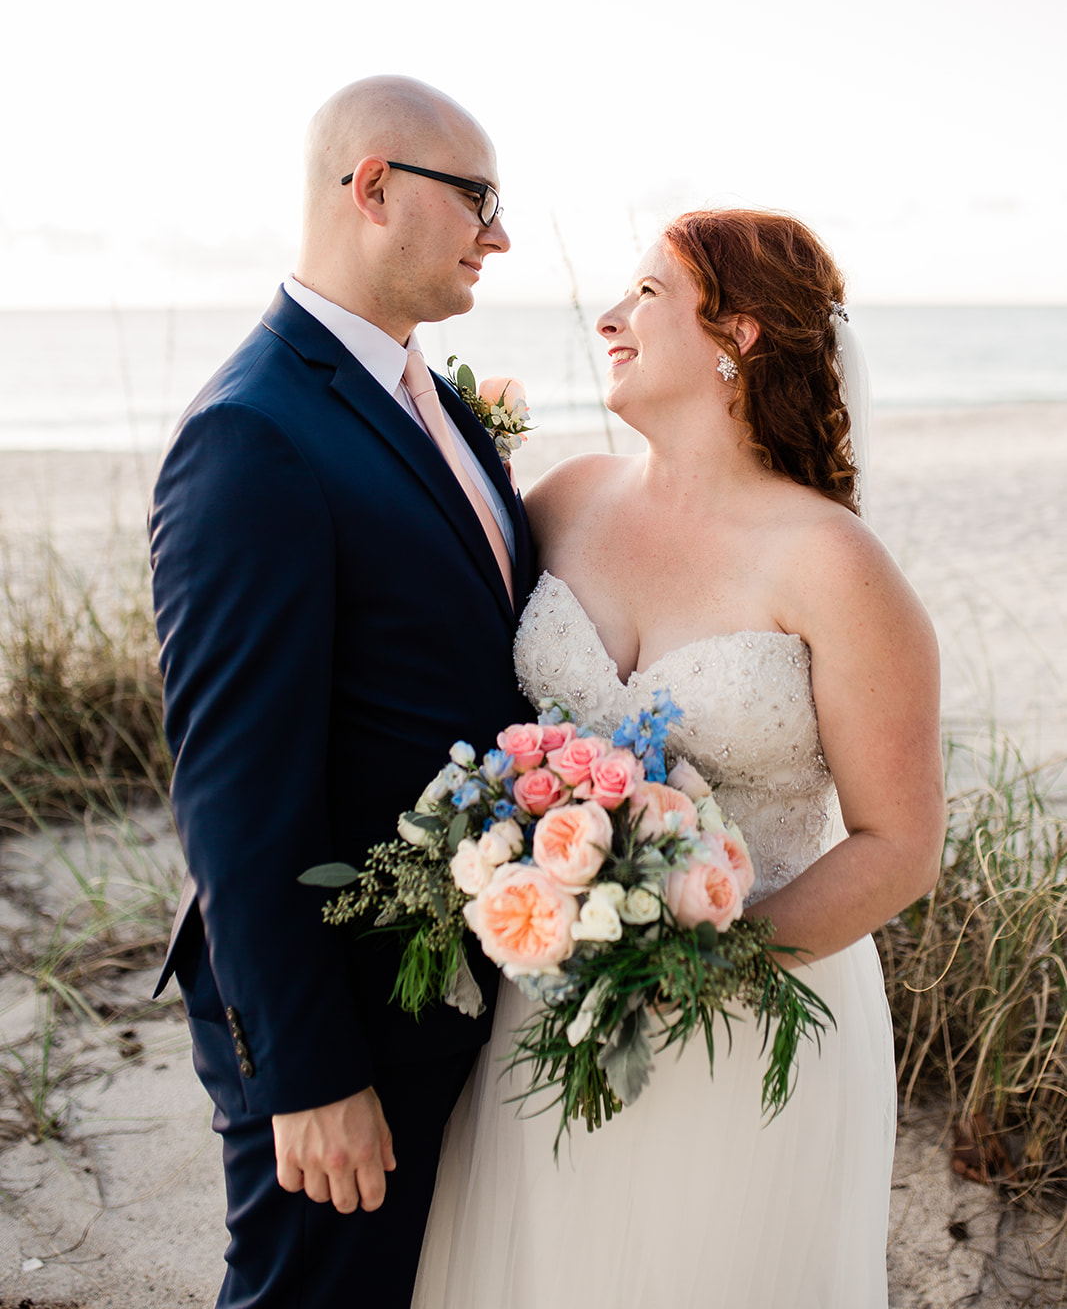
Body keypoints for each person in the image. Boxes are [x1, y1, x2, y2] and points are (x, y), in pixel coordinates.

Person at [414, 209, 946, 1309]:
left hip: (752, 1015)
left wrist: (692, 971)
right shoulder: (563, 500)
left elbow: (901, 845)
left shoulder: (833, 564)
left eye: (645, 294)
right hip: (553, 988)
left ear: (736, 335)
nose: (607, 318)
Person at [149, 76, 533, 1308]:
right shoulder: (251, 434)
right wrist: (306, 1073)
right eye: (477, 196)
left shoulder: (430, 403)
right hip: (338, 1009)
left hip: (446, 982)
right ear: (373, 187)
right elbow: (233, 793)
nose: (500, 232)